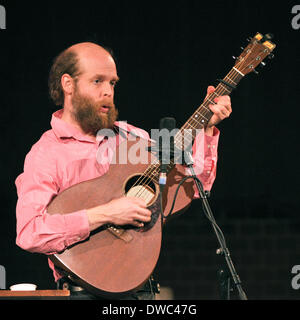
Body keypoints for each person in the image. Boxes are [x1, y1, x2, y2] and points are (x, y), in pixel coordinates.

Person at [15, 42, 232, 299]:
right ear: (68, 84)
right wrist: (106, 213)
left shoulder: (133, 139)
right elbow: (30, 232)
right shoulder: (47, 153)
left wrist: (206, 130)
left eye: (113, 83)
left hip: (144, 289)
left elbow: (194, 186)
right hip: (84, 291)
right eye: (97, 81)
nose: (108, 91)